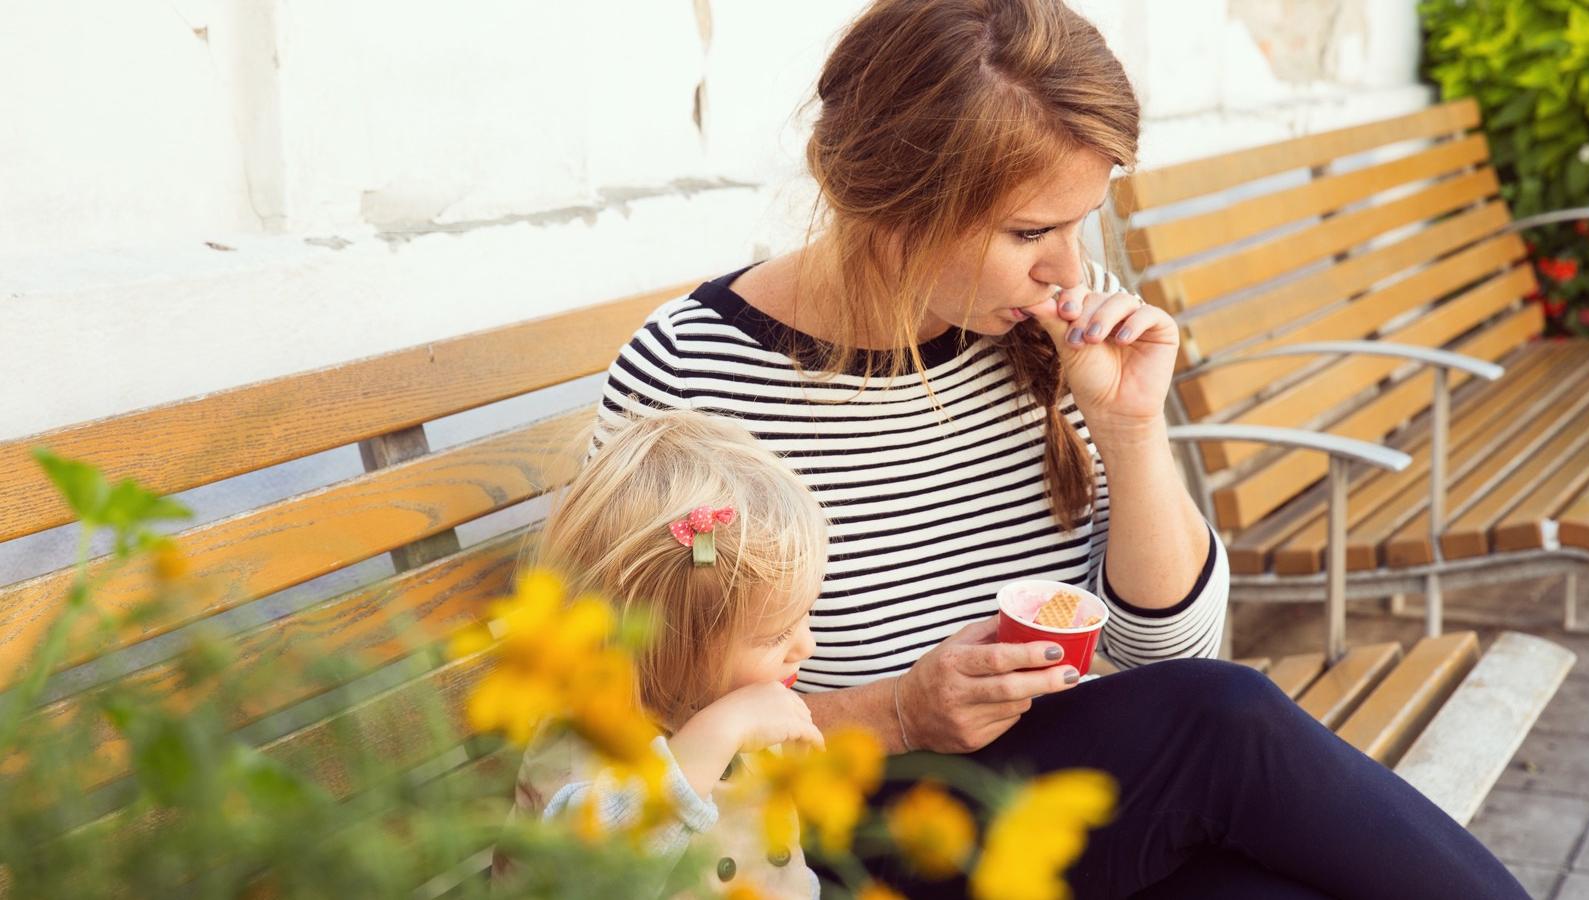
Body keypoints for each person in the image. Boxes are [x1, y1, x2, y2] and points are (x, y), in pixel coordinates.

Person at [589, 1, 1531, 896]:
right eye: (1031, 231)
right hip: (842, 836)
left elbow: (1167, 648)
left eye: (1080, 224)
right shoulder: (694, 373)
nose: (1069, 269)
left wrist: (1129, 428)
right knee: (1228, 721)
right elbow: (632, 733)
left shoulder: (1039, 331)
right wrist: (899, 712)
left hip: (1066, 812)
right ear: (891, 200)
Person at [495, 411, 830, 899]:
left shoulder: (720, 701)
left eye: (804, 617)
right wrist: (718, 734)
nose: (807, 645)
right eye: (775, 635)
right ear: (666, 645)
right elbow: (597, 879)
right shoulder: (585, 742)